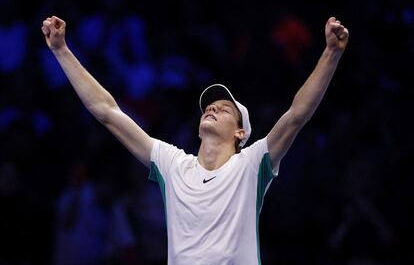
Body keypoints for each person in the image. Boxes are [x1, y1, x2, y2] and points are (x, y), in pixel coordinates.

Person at [41, 15, 349, 264]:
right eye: (210, 106)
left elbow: (297, 113)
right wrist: (61, 50)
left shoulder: (252, 165)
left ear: (240, 133)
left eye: (224, 108)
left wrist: (331, 54)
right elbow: (107, 111)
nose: (212, 107)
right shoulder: (173, 164)